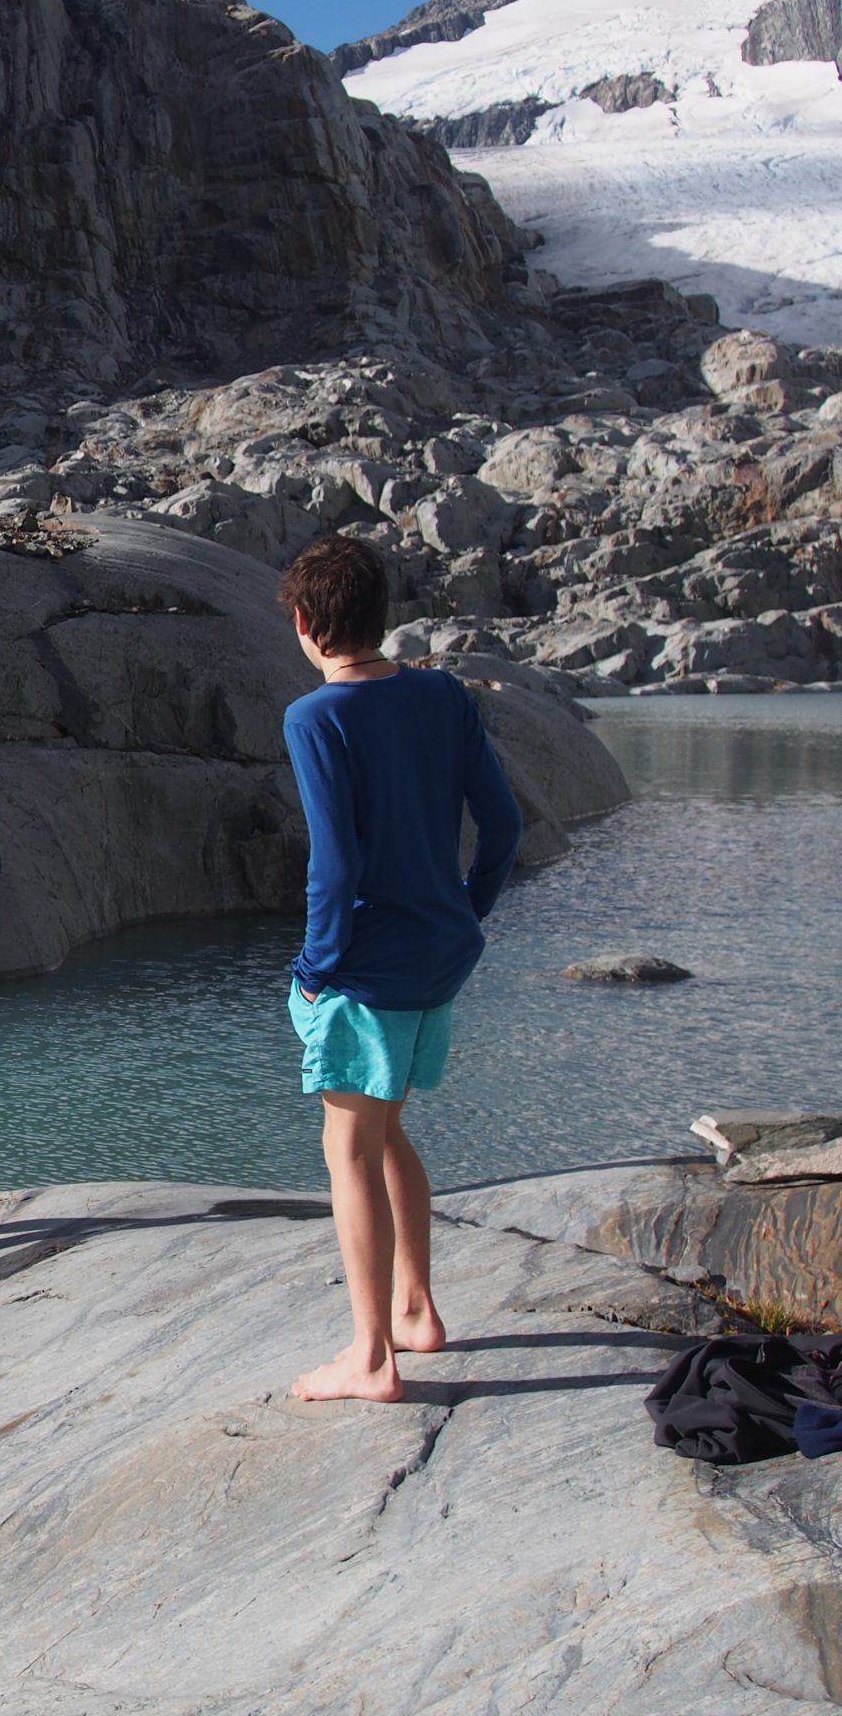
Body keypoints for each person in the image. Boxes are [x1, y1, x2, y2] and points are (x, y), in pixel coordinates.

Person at [278, 535, 522, 1403]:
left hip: (366, 968)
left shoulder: (316, 717)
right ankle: (416, 1310)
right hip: (435, 958)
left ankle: (371, 1357)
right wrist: (469, 910)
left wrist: (316, 965)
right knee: (386, 1132)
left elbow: (336, 867)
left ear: (304, 623)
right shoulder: (444, 695)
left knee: (346, 1147)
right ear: (384, 616)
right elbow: (504, 828)